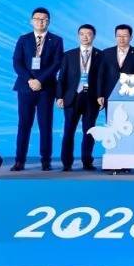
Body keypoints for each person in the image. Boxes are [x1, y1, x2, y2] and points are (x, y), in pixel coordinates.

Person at [11, 6, 63, 171]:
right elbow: (17, 62)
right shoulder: (23, 39)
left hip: (46, 88)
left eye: (44, 19)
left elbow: (57, 63)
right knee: (24, 125)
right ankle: (19, 161)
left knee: (45, 125)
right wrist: (30, 80)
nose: (41, 22)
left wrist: (40, 80)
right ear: (31, 21)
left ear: (49, 22)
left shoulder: (56, 40)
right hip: (25, 88)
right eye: (37, 19)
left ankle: (46, 161)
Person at [56, 24, 104, 171]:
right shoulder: (68, 55)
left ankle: (87, 161)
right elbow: (61, 78)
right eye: (82, 34)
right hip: (72, 97)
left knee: (89, 132)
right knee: (69, 131)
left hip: (91, 99)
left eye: (88, 34)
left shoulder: (101, 55)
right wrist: (59, 96)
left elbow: (102, 78)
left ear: (94, 36)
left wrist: (101, 96)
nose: (85, 37)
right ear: (78, 36)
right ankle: (67, 163)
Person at [99, 24, 134, 105]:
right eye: (119, 36)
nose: (121, 39)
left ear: (131, 37)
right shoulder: (106, 53)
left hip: (129, 94)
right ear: (115, 37)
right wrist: (100, 95)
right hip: (109, 93)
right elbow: (100, 75)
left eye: (125, 36)